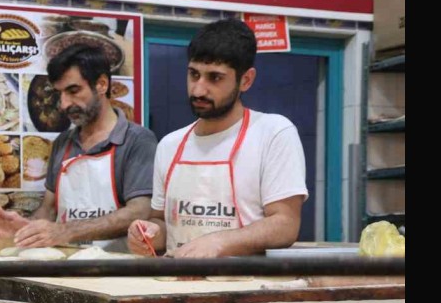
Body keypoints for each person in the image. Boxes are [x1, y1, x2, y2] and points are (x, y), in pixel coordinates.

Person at [128, 18, 307, 258]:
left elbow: (285, 224)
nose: (198, 90)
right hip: (177, 278)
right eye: (194, 74)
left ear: (246, 80)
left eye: (215, 78)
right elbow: (162, 222)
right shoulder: (169, 145)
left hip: (244, 280)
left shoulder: (273, 133)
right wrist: (149, 233)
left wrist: (218, 242)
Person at [0, 45, 157, 251]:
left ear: (102, 84)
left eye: (73, 91)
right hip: (66, 263)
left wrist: (66, 231)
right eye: (59, 94)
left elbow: (140, 212)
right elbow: (49, 210)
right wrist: (26, 229)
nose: (64, 104)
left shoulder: (137, 140)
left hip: (117, 264)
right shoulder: (63, 142)